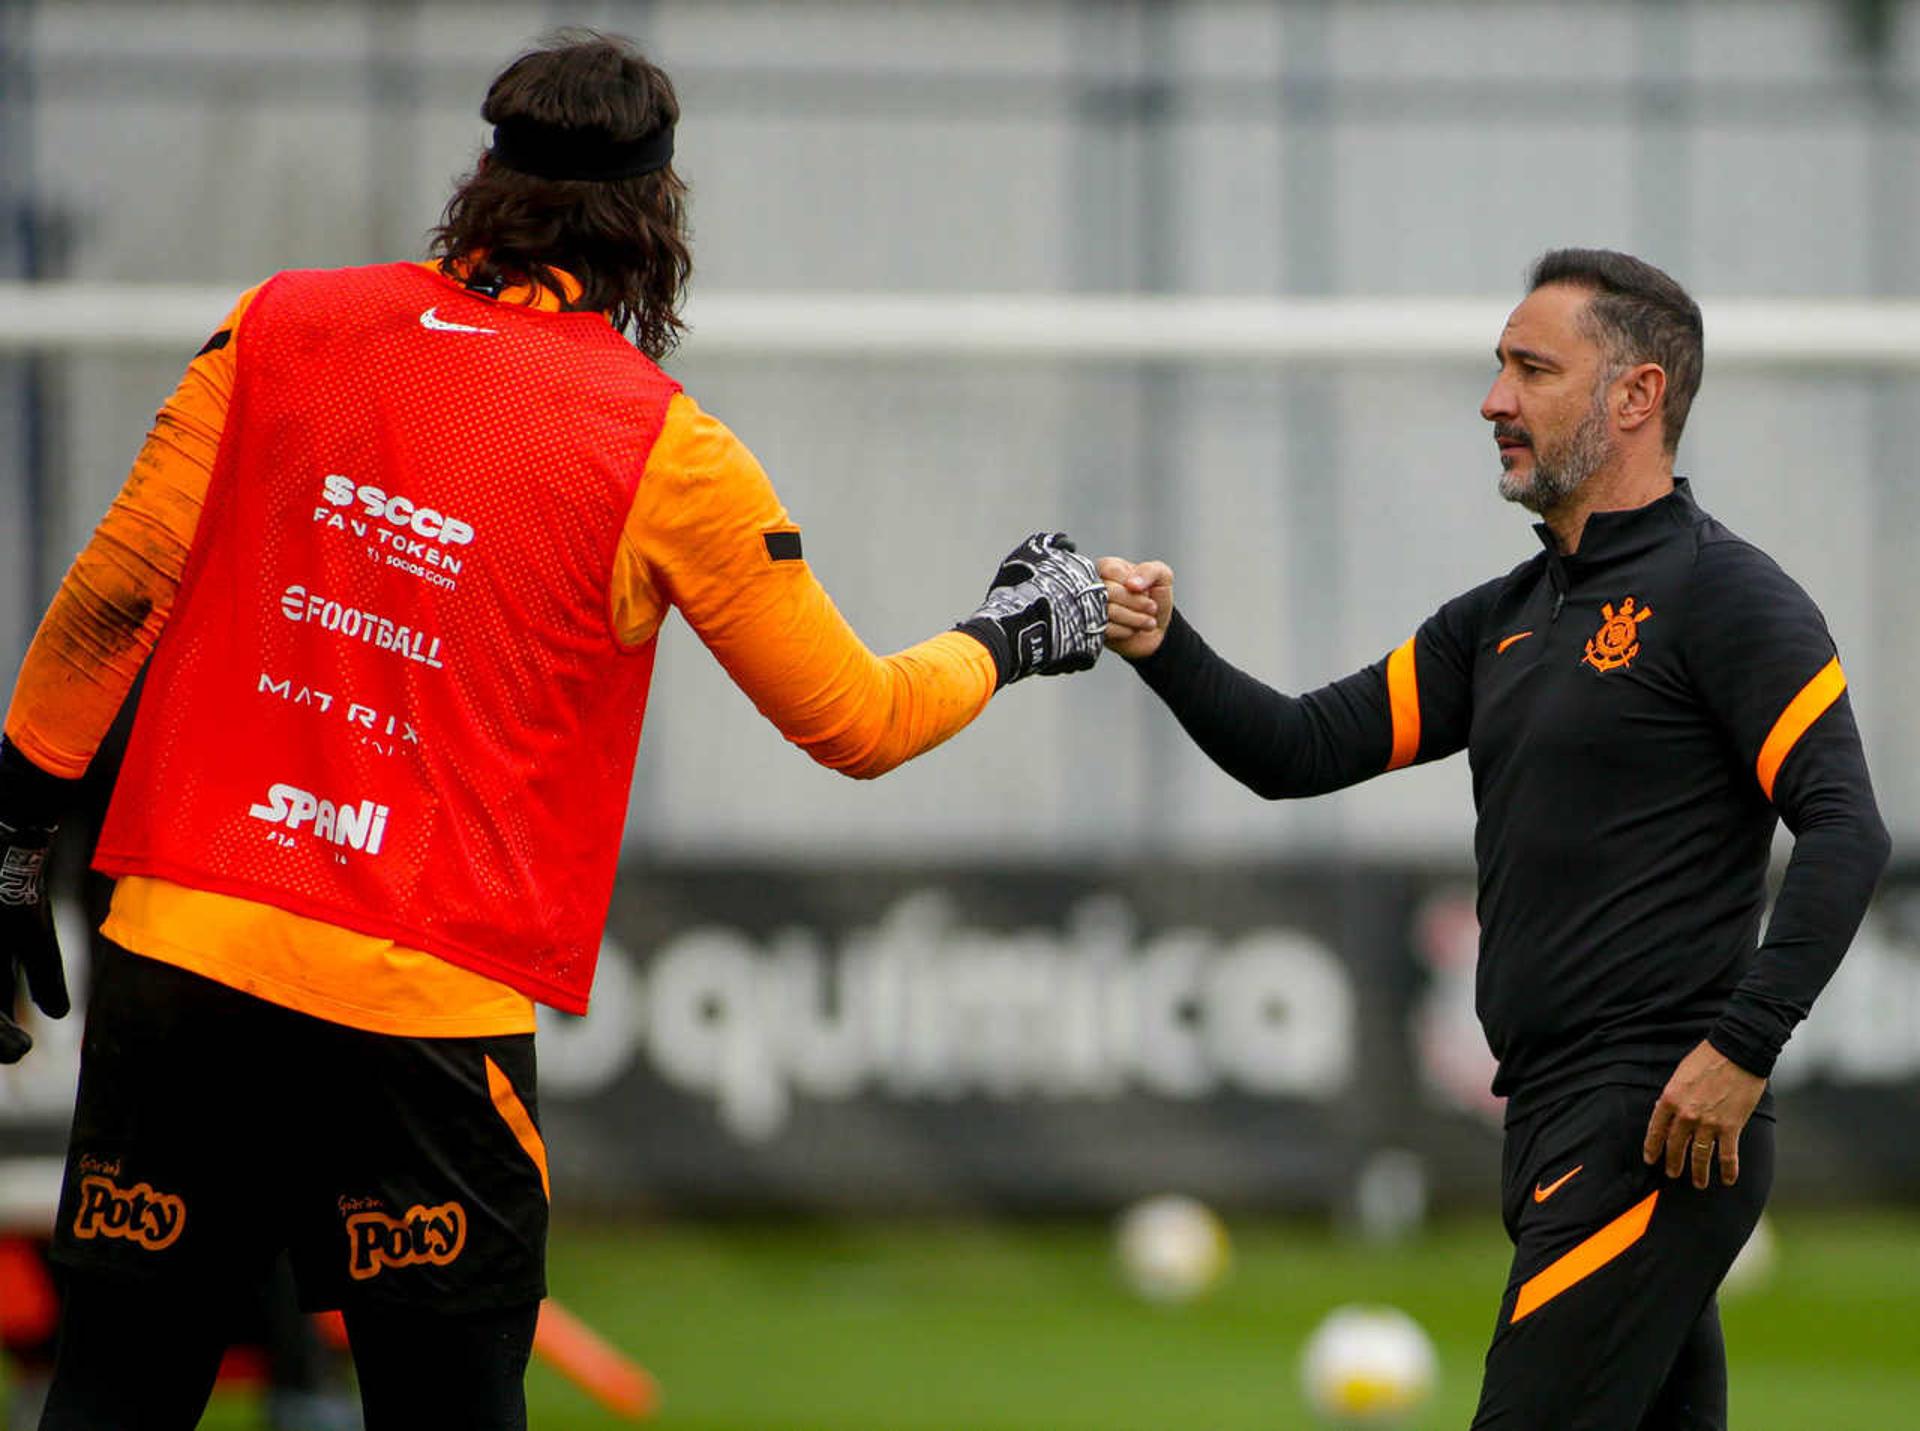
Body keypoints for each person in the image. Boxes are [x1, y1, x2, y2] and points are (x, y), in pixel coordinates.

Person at [0, 31, 1107, 1431]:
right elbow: (855, 717)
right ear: (659, 226)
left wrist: (13, 832)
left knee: (107, 1398)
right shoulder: (666, 448)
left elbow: (114, 591)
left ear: (481, 182)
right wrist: (1017, 632)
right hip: (421, 1017)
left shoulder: (279, 323)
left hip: (186, 968)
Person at [1099, 249, 1890, 1429]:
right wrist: (1161, 642)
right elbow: (1298, 750)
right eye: (1498, 368)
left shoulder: (1729, 597)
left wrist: (1742, 1048)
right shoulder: (1502, 622)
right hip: (1546, 1117)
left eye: (1531, 369)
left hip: (1652, 1124)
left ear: (1636, 397)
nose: (1494, 401)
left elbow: (1846, 829)